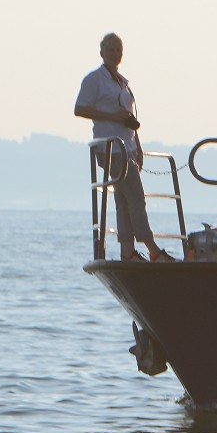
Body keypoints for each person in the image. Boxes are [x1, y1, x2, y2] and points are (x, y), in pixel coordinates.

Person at [74, 33, 176, 262]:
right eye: (110, 49)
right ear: (102, 53)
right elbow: (80, 109)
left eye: (118, 50)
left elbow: (128, 118)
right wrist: (111, 115)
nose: (114, 54)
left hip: (127, 147)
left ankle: (127, 251)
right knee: (136, 198)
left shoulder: (123, 82)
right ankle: (152, 248)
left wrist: (138, 146)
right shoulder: (94, 79)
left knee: (123, 199)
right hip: (111, 148)